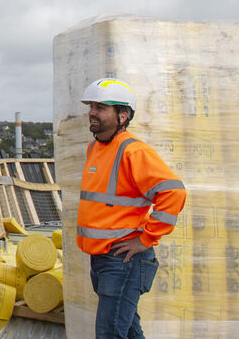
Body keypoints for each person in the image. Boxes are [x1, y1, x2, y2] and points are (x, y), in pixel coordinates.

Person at [77, 78, 186, 339]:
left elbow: (174, 192)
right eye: (91, 106)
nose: (92, 112)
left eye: (101, 107)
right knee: (128, 330)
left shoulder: (133, 151)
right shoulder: (95, 147)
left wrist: (146, 239)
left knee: (110, 333)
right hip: (103, 259)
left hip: (123, 261)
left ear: (122, 116)